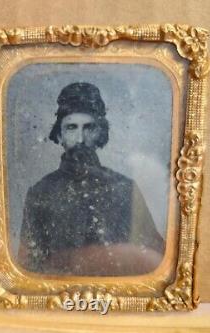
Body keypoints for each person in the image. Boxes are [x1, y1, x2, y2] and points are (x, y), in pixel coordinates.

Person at [18, 82, 165, 276]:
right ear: (60, 135)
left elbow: (155, 259)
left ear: (100, 133)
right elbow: (28, 266)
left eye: (88, 128)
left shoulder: (125, 188)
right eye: (71, 128)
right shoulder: (40, 192)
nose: (80, 138)